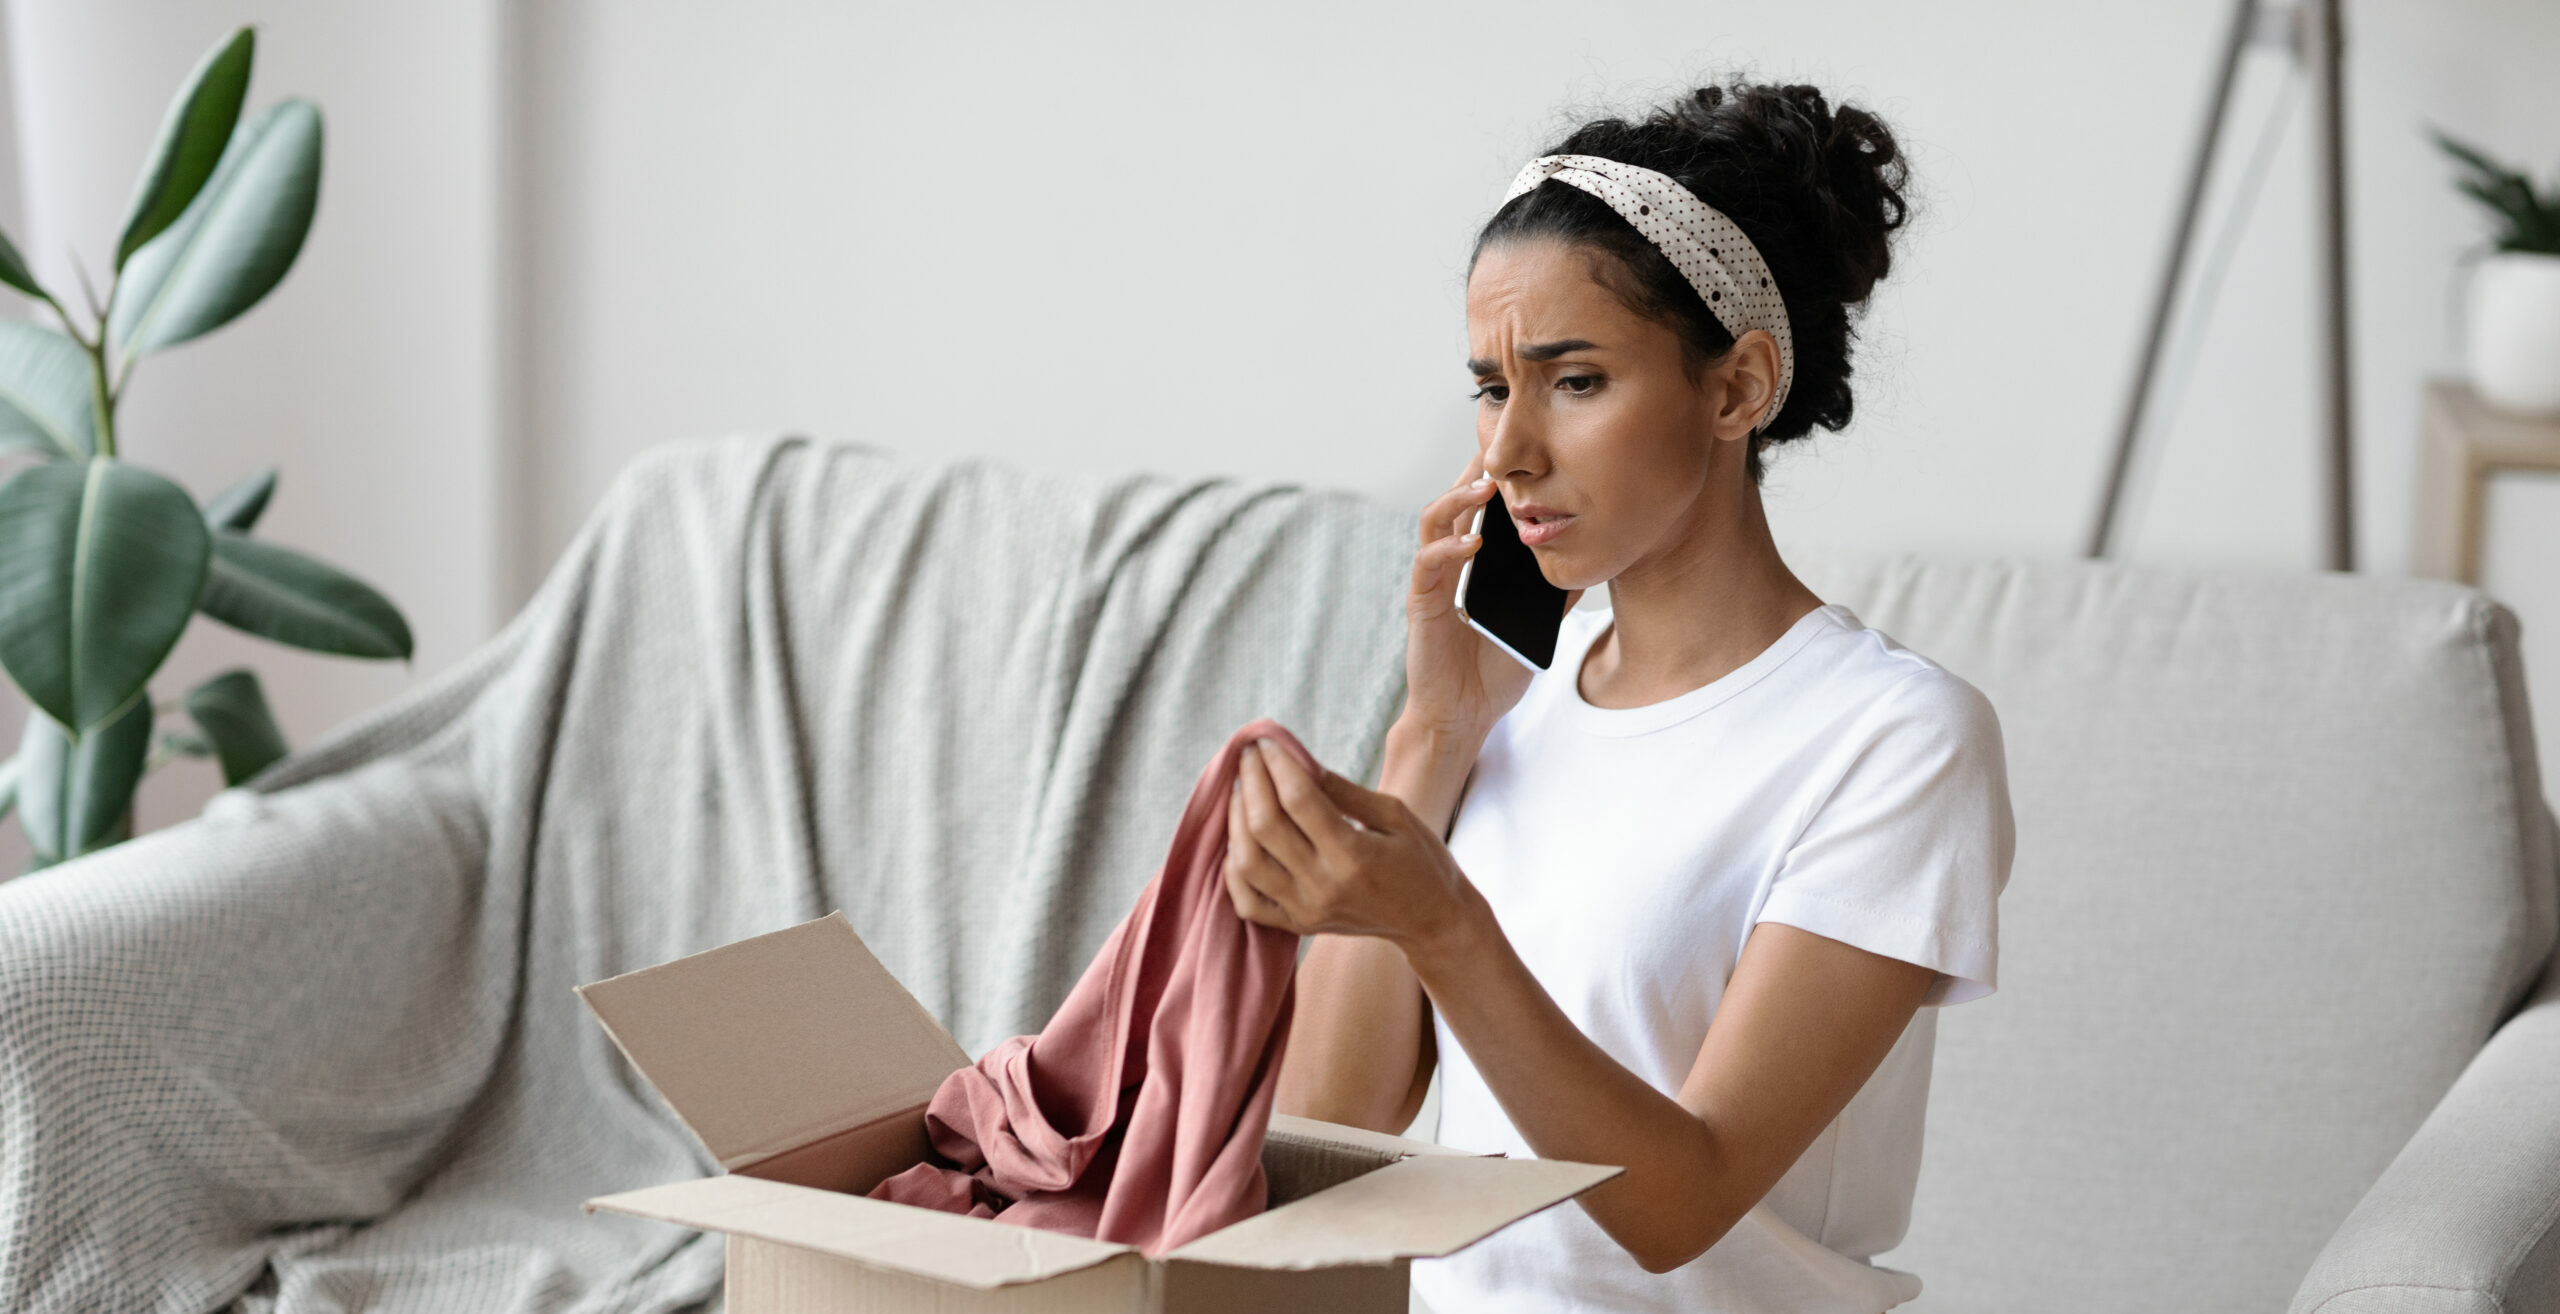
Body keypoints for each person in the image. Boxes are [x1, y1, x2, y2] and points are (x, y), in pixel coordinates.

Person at [1219, 79, 2015, 1313]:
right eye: (1492, 387)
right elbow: (1330, 1133)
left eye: (1573, 381)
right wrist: (1431, 736)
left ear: (1737, 389)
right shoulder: (1514, 710)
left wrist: (1443, 925)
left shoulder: (1894, 738)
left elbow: (1678, 1206)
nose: (1507, 452)